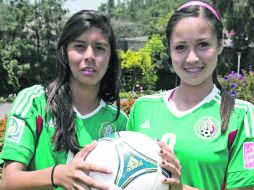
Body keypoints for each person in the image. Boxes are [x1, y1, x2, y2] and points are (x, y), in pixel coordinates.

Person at [127, 0, 254, 190]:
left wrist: (179, 188)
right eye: (180, 47)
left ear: (220, 44)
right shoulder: (143, 107)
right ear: (169, 49)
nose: (192, 58)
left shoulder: (242, 115)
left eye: (203, 44)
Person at [0, 10, 128, 189]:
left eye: (99, 48)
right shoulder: (34, 102)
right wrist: (57, 175)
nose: (90, 55)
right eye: (80, 46)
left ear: (110, 58)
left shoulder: (119, 121)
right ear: (65, 53)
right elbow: (8, 182)